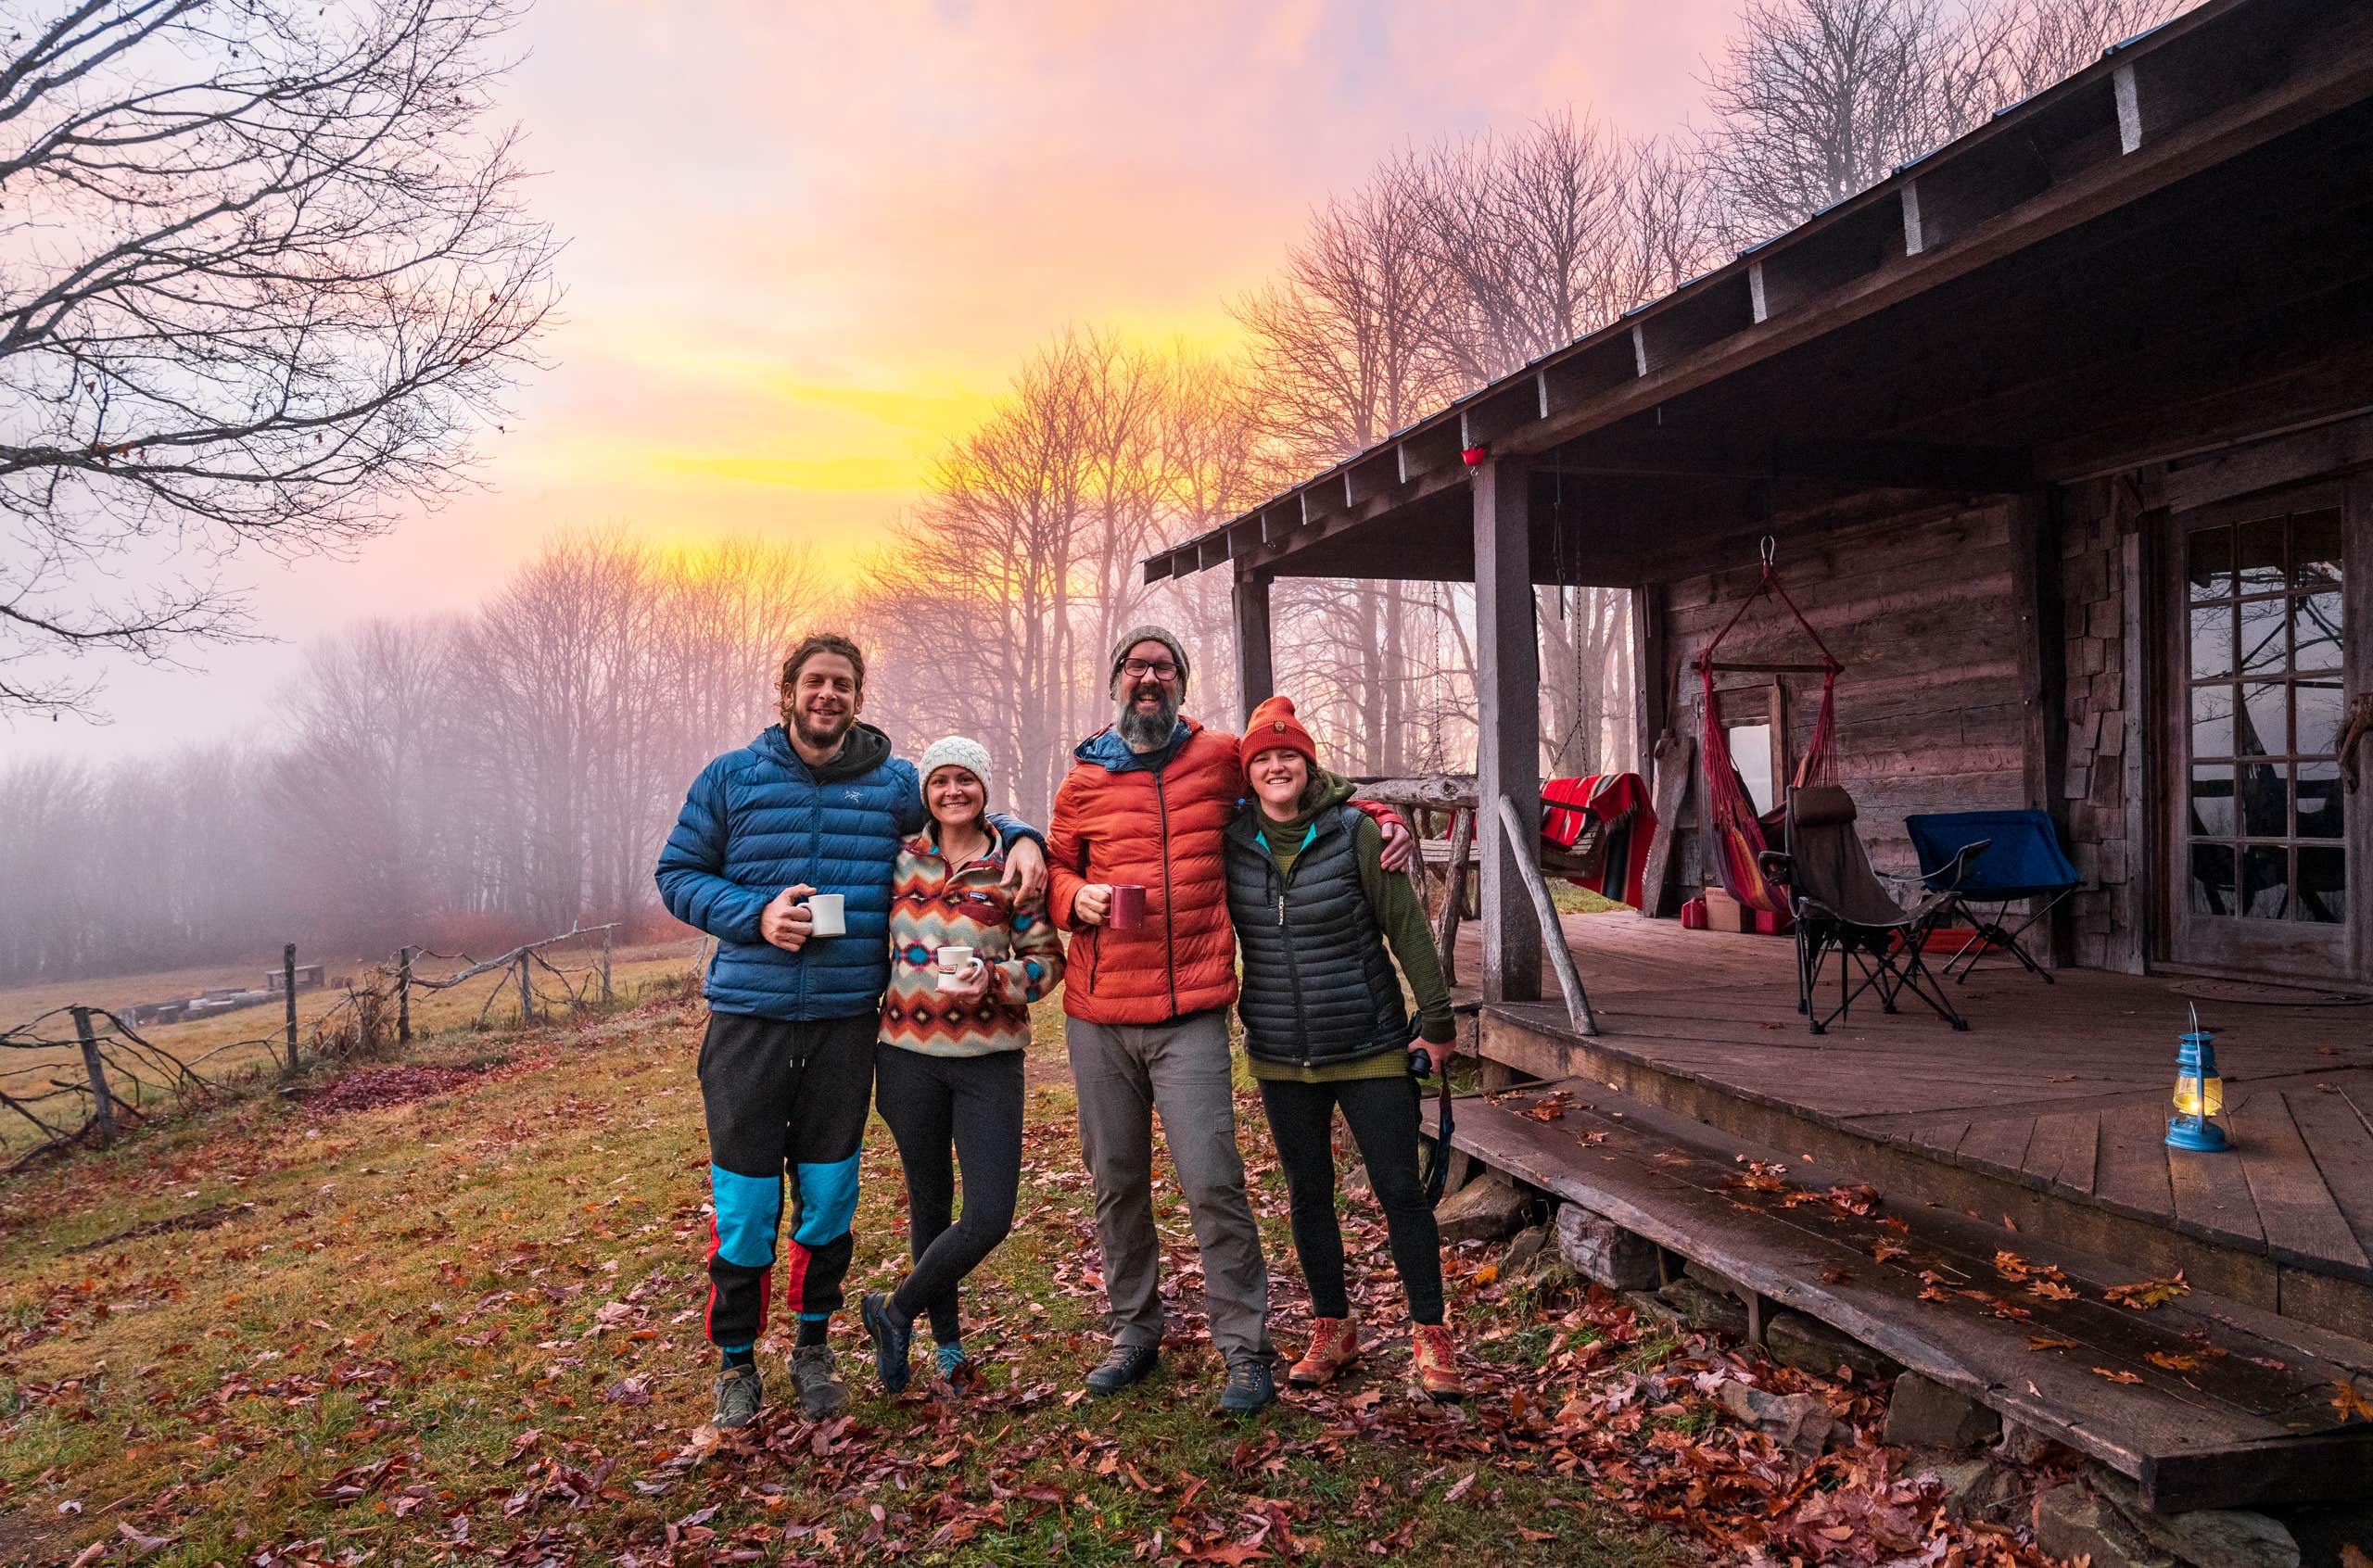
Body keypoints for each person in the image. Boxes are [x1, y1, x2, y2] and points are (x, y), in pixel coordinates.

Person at [655, 634, 1047, 1431]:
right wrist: (753, 914)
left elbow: (958, 808)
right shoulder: (733, 777)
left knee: (829, 1201)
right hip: (748, 1022)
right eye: (814, 682)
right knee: (745, 1204)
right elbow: (676, 875)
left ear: (858, 696)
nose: (826, 695)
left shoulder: (892, 784)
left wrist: (1027, 835)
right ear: (789, 690)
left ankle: (812, 1349)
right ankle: (736, 1365)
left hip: (842, 1027)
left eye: (842, 684)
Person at [1047, 625, 1412, 1417]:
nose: (1150, 679)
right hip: (1100, 1012)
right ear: (1116, 681)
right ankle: (1133, 1332)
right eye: (1137, 668)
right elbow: (1054, 869)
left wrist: (1379, 814)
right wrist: (1073, 899)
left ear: (1182, 683)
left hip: (1193, 1013)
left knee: (1214, 1182)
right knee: (1116, 1185)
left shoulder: (1216, 760)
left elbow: (1299, 786)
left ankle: (1244, 1349)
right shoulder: (1081, 780)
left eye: (1164, 668)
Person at [1225, 696, 1464, 1401]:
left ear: (1308, 763)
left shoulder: (1357, 833)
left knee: (1400, 1191)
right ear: (1249, 771)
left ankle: (1430, 1330)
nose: (1276, 767)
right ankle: (1335, 1327)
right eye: (1263, 758)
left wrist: (1439, 1021)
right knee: (1308, 1194)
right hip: (1279, 1050)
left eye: (1288, 755)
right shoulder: (1232, 840)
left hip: (1370, 1043)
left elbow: (1407, 928)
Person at [858, 736, 1064, 1395]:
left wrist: (999, 978)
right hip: (906, 1061)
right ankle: (946, 1350)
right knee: (929, 1203)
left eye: (966, 781)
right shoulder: (898, 864)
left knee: (989, 1214)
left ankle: (894, 1315)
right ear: (926, 791)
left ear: (983, 790)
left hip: (987, 1062)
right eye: (941, 780)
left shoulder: (1013, 866)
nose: (953, 791)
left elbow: (1047, 963)